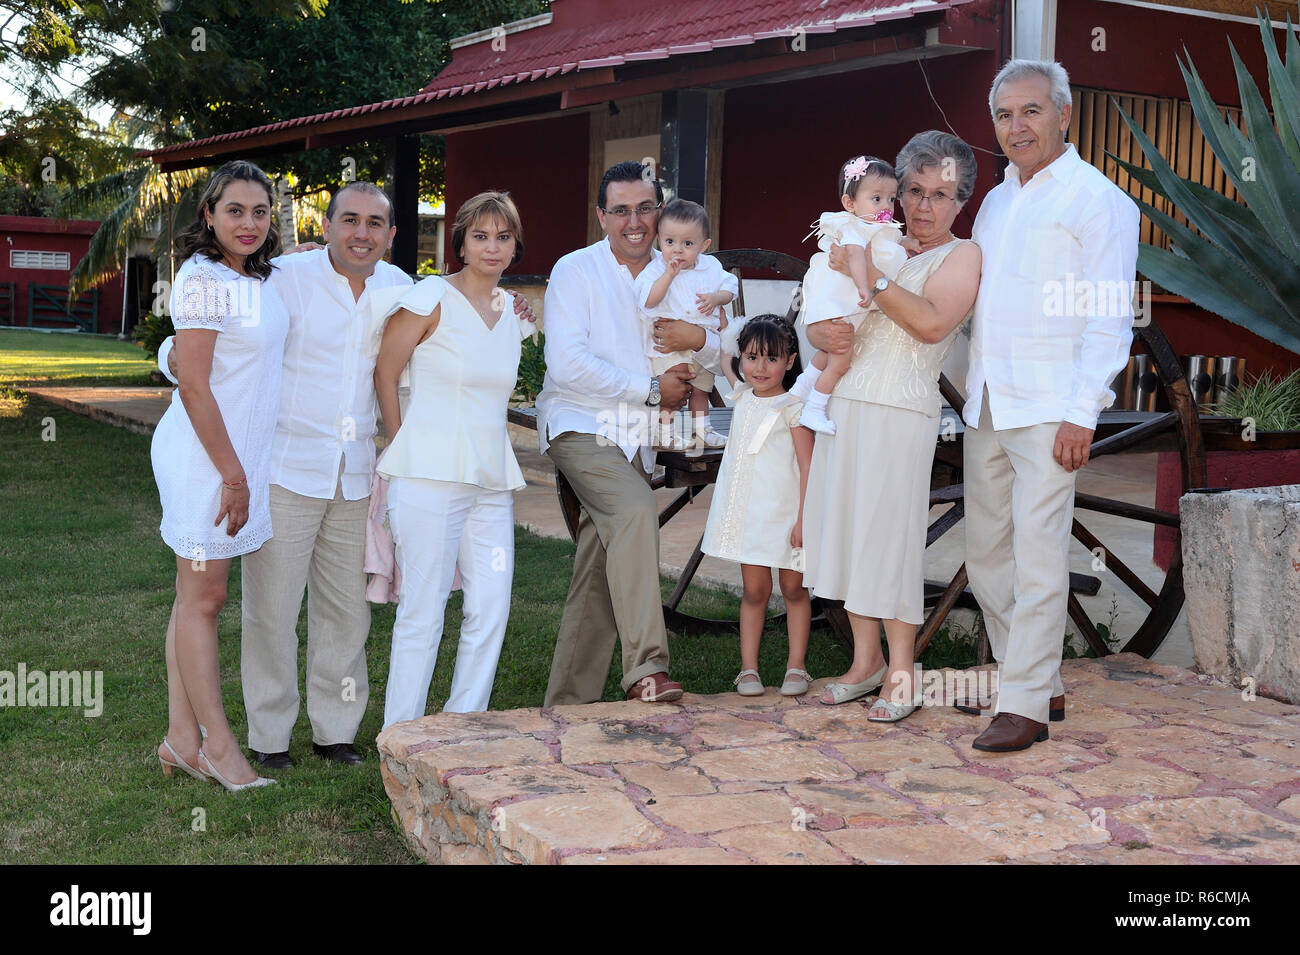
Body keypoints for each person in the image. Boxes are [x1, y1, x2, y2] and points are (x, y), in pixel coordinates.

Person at [159, 183, 542, 764]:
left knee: (346, 613)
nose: (361, 233)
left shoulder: (401, 288)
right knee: (273, 612)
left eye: (375, 224)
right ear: (328, 226)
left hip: (357, 473)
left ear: (391, 235)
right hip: (286, 468)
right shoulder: (281, 276)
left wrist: (512, 304)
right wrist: (175, 362)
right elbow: (210, 342)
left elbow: (463, 312)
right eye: (349, 220)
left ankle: (335, 731)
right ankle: (269, 738)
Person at [960, 59, 1139, 752]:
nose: (1016, 126)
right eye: (1004, 115)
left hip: (1049, 407)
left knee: (1038, 555)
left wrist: (1083, 411)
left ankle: (1026, 702)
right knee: (984, 556)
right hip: (989, 402)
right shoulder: (998, 200)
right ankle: (1035, 675)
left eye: (1031, 110)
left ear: (1064, 114)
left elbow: (1108, 319)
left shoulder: (1099, 202)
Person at [803, 131, 982, 721]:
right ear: (898, 191)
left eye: (943, 194)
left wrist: (870, 278)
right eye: (915, 190)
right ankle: (865, 661)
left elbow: (931, 325)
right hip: (845, 401)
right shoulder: (877, 242)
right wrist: (815, 331)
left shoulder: (961, 256)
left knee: (890, 538)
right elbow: (827, 312)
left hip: (901, 410)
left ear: (962, 203)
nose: (926, 206)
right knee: (851, 534)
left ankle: (903, 670)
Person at [537, 160, 723, 705]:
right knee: (637, 509)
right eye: (621, 210)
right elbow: (567, 363)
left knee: (602, 560)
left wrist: (702, 341)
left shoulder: (690, 271)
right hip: (581, 424)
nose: (635, 222)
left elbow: (725, 343)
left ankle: (569, 704)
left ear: (660, 211)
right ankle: (647, 668)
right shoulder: (576, 270)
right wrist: (648, 388)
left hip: (637, 435)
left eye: (646, 208)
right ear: (602, 216)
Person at [372, 191, 534, 728]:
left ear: (515, 246)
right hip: (428, 475)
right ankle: (401, 736)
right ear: (460, 241)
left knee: (491, 605)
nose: (493, 246)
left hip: (490, 478)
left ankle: (463, 727)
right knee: (423, 611)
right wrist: (398, 447)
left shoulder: (514, 311)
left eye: (504, 236)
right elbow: (385, 374)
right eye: (481, 235)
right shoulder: (428, 298)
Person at [151, 160, 288, 791]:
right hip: (205, 459)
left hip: (235, 458)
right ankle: (220, 748)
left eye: (260, 212)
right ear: (208, 214)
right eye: (235, 210)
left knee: (192, 600)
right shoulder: (203, 279)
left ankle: (181, 741)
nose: (249, 223)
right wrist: (234, 476)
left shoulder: (258, 280)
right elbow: (196, 384)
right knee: (206, 600)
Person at [702, 314, 815, 696]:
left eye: (771, 358)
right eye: (751, 357)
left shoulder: (793, 407)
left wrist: (804, 518)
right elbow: (723, 360)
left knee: (794, 588)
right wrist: (722, 325)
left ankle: (796, 667)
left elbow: (807, 465)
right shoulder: (742, 396)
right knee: (755, 590)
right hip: (750, 515)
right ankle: (748, 669)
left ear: (790, 360)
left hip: (786, 516)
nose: (760, 367)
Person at [792, 155, 909, 435]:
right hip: (839, 299)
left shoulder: (875, 228)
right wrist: (863, 286)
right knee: (841, 357)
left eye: (891, 199)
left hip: (841, 302)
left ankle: (801, 387)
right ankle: (815, 409)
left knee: (829, 350)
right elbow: (855, 256)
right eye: (876, 198)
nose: (886, 207)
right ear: (850, 204)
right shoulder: (853, 227)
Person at [634, 197, 736, 451]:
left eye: (688, 243)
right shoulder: (656, 270)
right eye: (670, 242)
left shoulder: (711, 266)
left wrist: (716, 298)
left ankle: (702, 431)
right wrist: (669, 275)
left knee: (701, 390)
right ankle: (663, 432)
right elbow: (648, 300)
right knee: (674, 388)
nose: (677, 250)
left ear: (704, 245)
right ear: (660, 239)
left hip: (703, 347)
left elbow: (730, 287)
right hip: (670, 347)